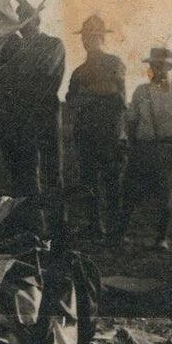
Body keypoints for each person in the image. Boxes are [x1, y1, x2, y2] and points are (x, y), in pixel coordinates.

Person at [0, 0, 67, 230]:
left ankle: (57, 228)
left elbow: (29, 73)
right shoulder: (18, 49)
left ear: (36, 21)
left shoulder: (52, 44)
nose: (23, 26)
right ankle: (33, 227)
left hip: (44, 116)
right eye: (21, 21)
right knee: (25, 175)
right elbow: (0, 75)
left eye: (26, 20)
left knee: (51, 173)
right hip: (22, 119)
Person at [117, 47, 172, 251]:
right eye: (154, 65)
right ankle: (119, 235)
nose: (157, 69)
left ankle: (161, 238)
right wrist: (132, 145)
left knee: (166, 196)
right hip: (143, 147)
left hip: (169, 148)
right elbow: (132, 120)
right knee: (130, 193)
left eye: (161, 65)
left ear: (169, 67)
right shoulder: (141, 91)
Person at [65, 15, 126, 238]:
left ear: (102, 38)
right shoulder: (78, 71)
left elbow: (116, 94)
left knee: (112, 182)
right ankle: (94, 226)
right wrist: (98, 94)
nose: (87, 41)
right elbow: (70, 100)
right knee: (88, 182)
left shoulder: (114, 63)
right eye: (85, 37)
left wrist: (87, 95)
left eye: (93, 36)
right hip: (86, 133)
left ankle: (114, 230)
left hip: (110, 132)